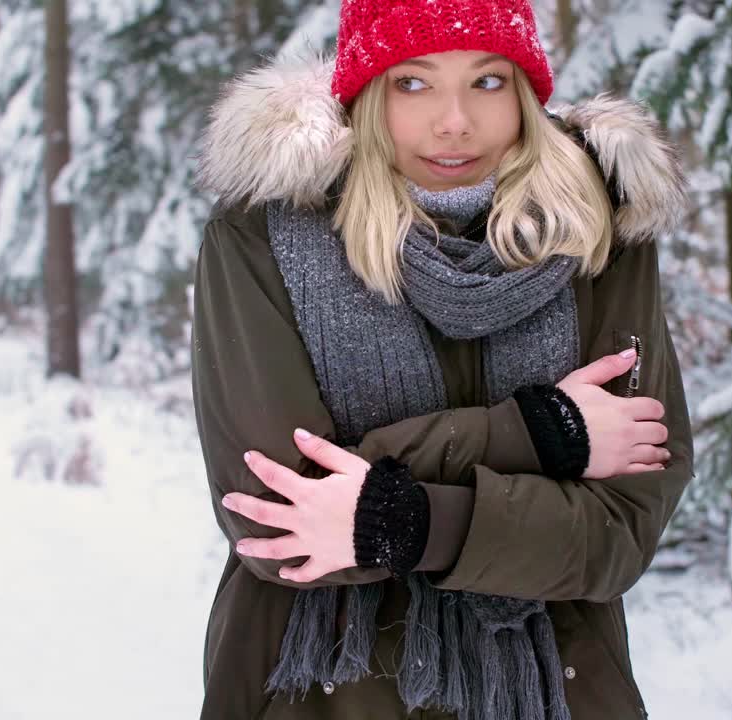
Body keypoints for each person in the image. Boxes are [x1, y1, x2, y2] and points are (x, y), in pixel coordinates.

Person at [191, 1, 693, 718]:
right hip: (324, 689)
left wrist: (399, 520)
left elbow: (623, 527)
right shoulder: (265, 235)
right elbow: (278, 519)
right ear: (366, 94)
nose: (454, 121)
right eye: (413, 84)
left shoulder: (601, 235)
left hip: (554, 684)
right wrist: (544, 434)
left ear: (524, 92)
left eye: (488, 82)